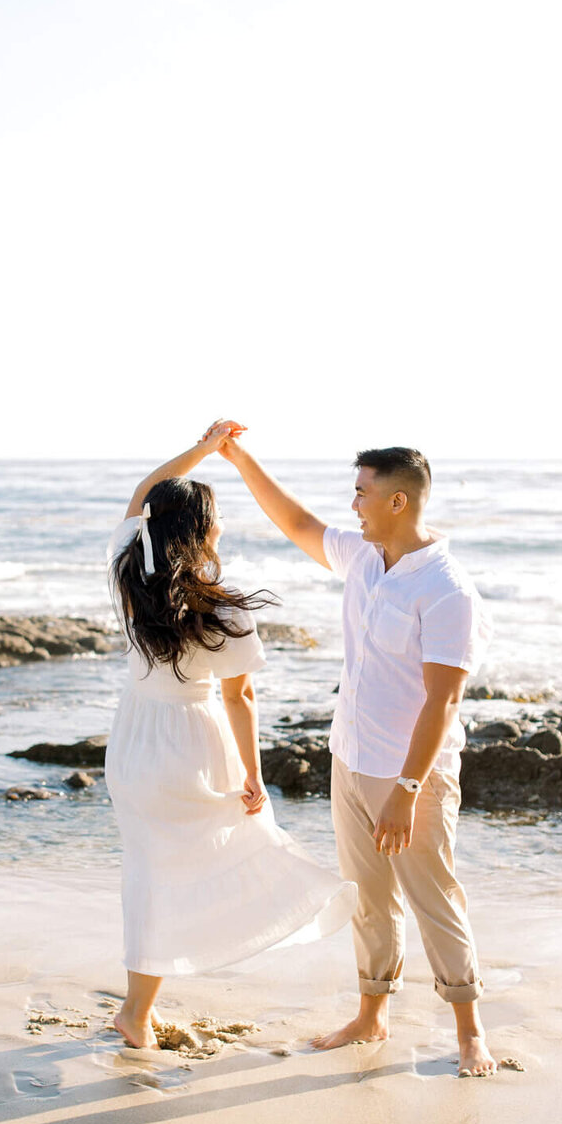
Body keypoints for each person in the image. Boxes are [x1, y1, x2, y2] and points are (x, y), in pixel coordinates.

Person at [205, 421, 498, 1076]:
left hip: (412, 777)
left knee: (435, 898)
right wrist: (237, 457)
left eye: (362, 492)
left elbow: (442, 702)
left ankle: (470, 1031)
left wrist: (408, 790)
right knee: (368, 897)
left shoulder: (447, 590)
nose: (353, 504)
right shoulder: (364, 557)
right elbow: (297, 522)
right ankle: (372, 1015)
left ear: (398, 500)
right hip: (351, 758)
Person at [104, 427, 357, 1050]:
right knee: (217, 859)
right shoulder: (225, 607)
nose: (222, 526)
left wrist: (201, 449)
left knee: (148, 871)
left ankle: (139, 1005)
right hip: (192, 742)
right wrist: (254, 773)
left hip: (132, 742)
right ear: (200, 532)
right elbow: (239, 698)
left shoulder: (128, 572)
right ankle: (136, 1010)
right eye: (215, 517)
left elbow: (143, 493)